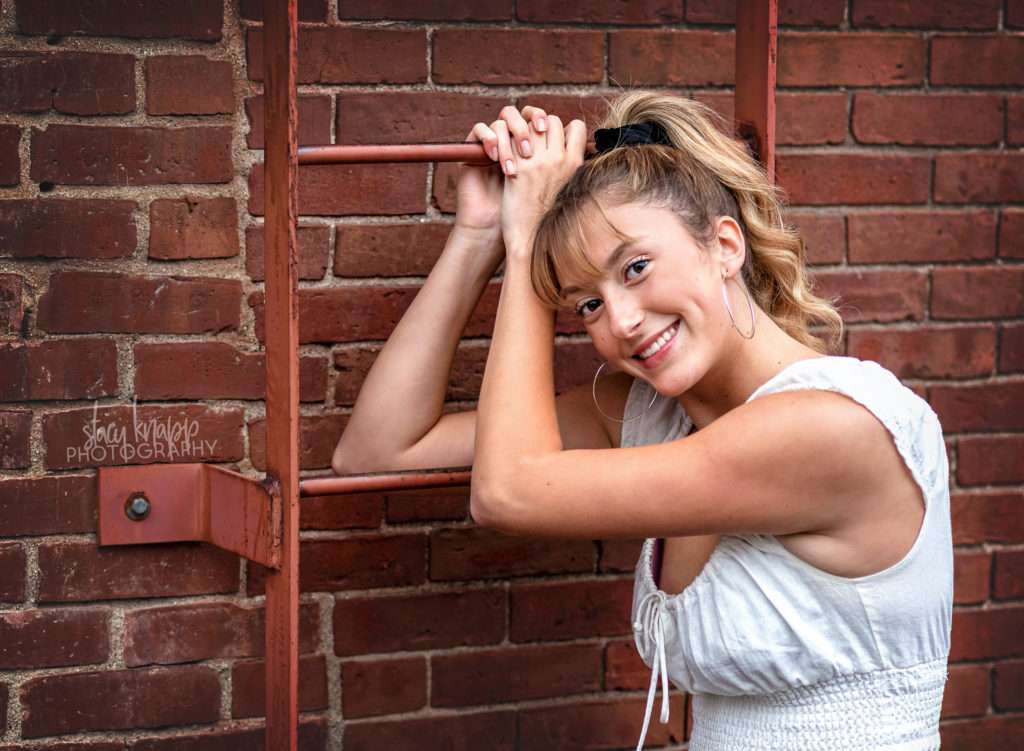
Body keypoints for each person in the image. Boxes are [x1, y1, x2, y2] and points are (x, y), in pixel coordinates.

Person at [332, 91, 952, 750]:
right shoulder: (656, 416)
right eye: (589, 303)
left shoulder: (830, 426)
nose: (622, 321)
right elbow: (379, 449)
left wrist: (526, 245)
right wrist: (479, 234)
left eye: (636, 267)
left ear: (724, 244)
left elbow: (507, 490)